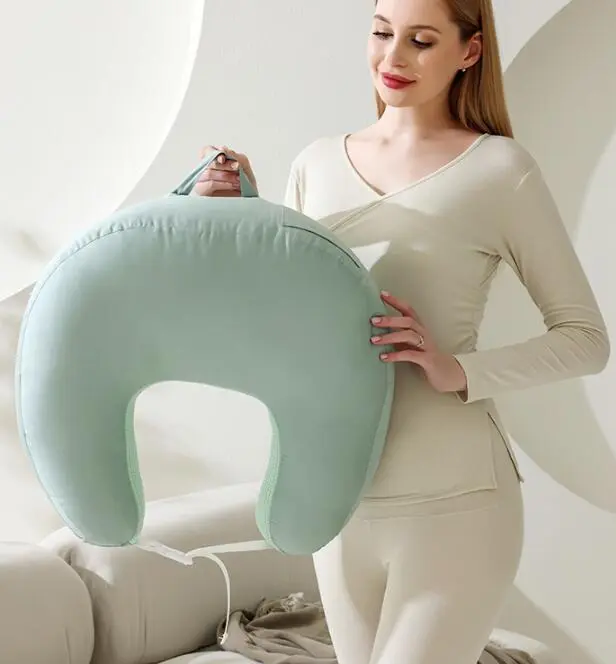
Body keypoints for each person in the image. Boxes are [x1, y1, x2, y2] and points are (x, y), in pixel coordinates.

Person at [192, 0, 610, 661]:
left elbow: (585, 339)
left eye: (421, 40)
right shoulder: (316, 164)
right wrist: (236, 218)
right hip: (341, 498)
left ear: (469, 51)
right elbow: (282, 328)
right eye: (382, 33)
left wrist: (459, 369)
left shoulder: (500, 169)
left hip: (459, 504)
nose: (393, 57)